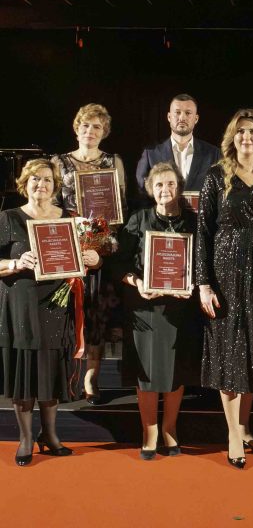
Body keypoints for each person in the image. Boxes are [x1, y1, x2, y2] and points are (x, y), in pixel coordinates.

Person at [196, 108, 253, 469]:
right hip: (226, 277)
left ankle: (245, 427)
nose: (246, 137)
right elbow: (203, 232)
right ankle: (233, 436)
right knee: (230, 354)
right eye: (240, 132)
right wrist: (203, 284)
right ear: (232, 138)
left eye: (252, 131)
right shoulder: (216, 176)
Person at [0, 159, 100, 466]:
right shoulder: (8, 217)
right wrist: (15, 263)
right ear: (24, 183)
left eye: (46, 180)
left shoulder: (70, 219)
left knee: (52, 370)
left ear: (55, 186)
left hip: (58, 303)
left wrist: (93, 257)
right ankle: (26, 438)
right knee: (26, 373)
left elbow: (94, 258)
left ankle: (51, 434)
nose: (40, 184)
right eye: (35, 179)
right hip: (22, 304)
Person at [115, 162, 202, 460]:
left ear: (180, 187)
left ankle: (169, 427)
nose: (165, 190)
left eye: (171, 184)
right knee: (148, 372)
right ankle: (149, 430)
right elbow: (119, 264)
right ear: (151, 189)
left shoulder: (193, 221)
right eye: (159, 185)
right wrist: (137, 282)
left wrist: (195, 284)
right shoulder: (138, 219)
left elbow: (203, 263)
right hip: (145, 308)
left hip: (180, 308)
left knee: (176, 370)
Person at [52, 103, 126, 406]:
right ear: (76, 128)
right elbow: (51, 208)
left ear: (104, 131)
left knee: (97, 316)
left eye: (97, 127)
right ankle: (64, 376)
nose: (90, 131)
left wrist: (101, 250)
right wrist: (67, 246)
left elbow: (119, 213)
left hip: (99, 253)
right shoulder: (58, 162)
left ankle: (91, 379)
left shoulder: (113, 162)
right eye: (85, 125)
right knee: (65, 316)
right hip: (65, 251)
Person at [136, 93, 221, 198]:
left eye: (188, 113)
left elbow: (220, 191)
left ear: (196, 119)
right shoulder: (150, 154)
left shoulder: (214, 154)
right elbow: (142, 192)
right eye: (177, 112)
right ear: (169, 117)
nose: (182, 117)